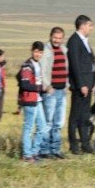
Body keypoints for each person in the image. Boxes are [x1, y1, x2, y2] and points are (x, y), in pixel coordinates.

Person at [67, 15, 95, 154]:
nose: (91, 28)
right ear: (82, 25)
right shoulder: (74, 41)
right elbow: (75, 65)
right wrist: (81, 84)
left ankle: (85, 143)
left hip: (88, 85)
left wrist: (93, 82)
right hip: (80, 86)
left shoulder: (85, 41)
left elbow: (89, 64)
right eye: (90, 25)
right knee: (75, 116)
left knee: (85, 116)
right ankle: (73, 145)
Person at [39, 27, 68, 158]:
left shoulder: (64, 50)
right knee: (48, 121)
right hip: (51, 90)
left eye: (59, 38)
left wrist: (67, 85)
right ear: (50, 37)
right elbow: (42, 69)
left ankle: (55, 149)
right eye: (55, 38)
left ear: (63, 38)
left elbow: (66, 69)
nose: (57, 40)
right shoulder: (46, 51)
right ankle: (44, 150)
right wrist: (47, 86)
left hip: (62, 90)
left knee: (59, 122)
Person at [19, 41, 47, 162]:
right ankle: (27, 155)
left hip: (38, 99)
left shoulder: (37, 64)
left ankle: (34, 152)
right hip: (30, 99)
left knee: (42, 126)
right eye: (36, 51)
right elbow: (24, 84)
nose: (38, 54)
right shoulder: (27, 66)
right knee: (29, 127)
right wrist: (39, 88)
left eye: (40, 52)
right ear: (32, 51)